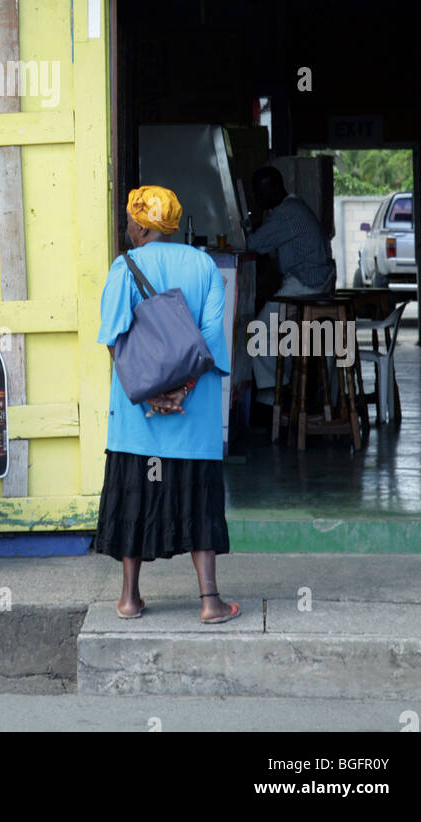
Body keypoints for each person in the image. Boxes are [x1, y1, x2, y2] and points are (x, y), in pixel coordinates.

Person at [95, 185, 239, 624]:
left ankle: (129, 599)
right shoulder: (204, 265)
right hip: (193, 419)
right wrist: (183, 389)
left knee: (135, 499)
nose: (127, 227)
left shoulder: (124, 267)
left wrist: (150, 392)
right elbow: (212, 338)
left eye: (129, 220)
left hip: (139, 420)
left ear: (140, 225)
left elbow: (114, 341)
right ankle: (210, 601)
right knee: (198, 499)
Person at [246, 165, 336, 403]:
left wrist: (245, 230)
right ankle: (282, 386)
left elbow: (254, 243)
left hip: (306, 284)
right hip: (314, 282)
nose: (258, 198)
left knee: (259, 330)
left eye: (260, 192)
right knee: (279, 333)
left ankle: (272, 394)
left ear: (275, 188)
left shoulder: (288, 212)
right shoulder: (293, 207)